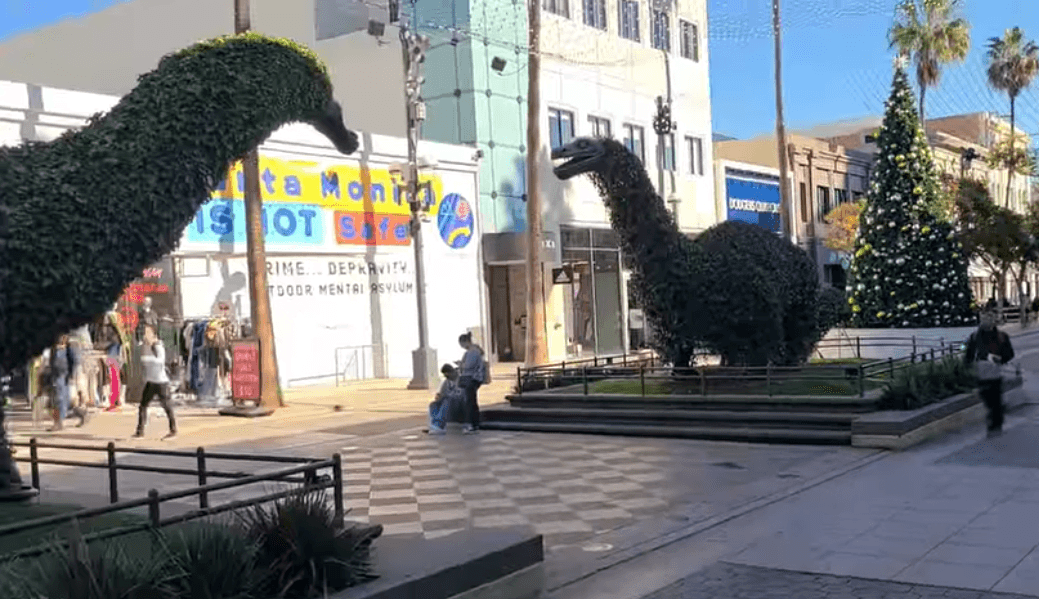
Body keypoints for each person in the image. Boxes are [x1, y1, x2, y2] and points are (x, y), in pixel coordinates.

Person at [964, 311, 1015, 437]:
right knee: (989, 399)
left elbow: (1009, 353)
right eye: (985, 320)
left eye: (989, 320)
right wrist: (967, 364)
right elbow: (969, 353)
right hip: (982, 372)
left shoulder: (1001, 336)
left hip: (994, 373)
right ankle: (995, 418)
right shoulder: (975, 336)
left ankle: (995, 423)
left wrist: (1001, 359)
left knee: (995, 399)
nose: (987, 323)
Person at [133, 324, 177, 440]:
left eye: (148, 333)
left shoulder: (158, 346)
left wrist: (145, 358)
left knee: (166, 406)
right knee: (143, 405)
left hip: (161, 382)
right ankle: (139, 431)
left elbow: (160, 361)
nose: (145, 336)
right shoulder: (146, 346)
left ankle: (173, 430)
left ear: (154, 335)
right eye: (144, 333)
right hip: (150, 381)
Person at [457, 332, 486, 435]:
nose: (462, 347)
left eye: (461, 344)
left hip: (471, 378)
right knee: (472, 401)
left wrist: (461, 365)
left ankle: (470, 424)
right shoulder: (473, 351)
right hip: (473, 378)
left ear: (466, 342)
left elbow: (469, 366)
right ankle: (475, 424)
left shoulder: (472, 352)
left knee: (469, 402)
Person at [428, 364, 464, 435]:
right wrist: (439, 397)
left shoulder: (461, 379)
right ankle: (434, 425)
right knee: (433, 404)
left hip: (459, 402)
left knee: (447, 401)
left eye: (447, 374)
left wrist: (446, 396)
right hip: (449, 399)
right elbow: (442, 392)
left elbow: (461, 394)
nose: (446, 376)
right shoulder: (446, 381)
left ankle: (440, 425)